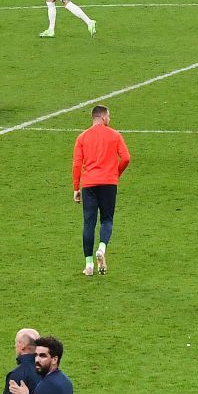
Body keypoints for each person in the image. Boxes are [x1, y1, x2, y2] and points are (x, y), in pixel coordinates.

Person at [73, 106, 131, 276]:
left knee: (88, 223)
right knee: (107, 220)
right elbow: (126, 158)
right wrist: (116, 174)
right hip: (108, 183)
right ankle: (102, 248)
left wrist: (76, 187)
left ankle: (89, 265)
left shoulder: (82, 137)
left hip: (89, 184)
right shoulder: (114, 135)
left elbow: (77, 164)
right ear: (104, 118)